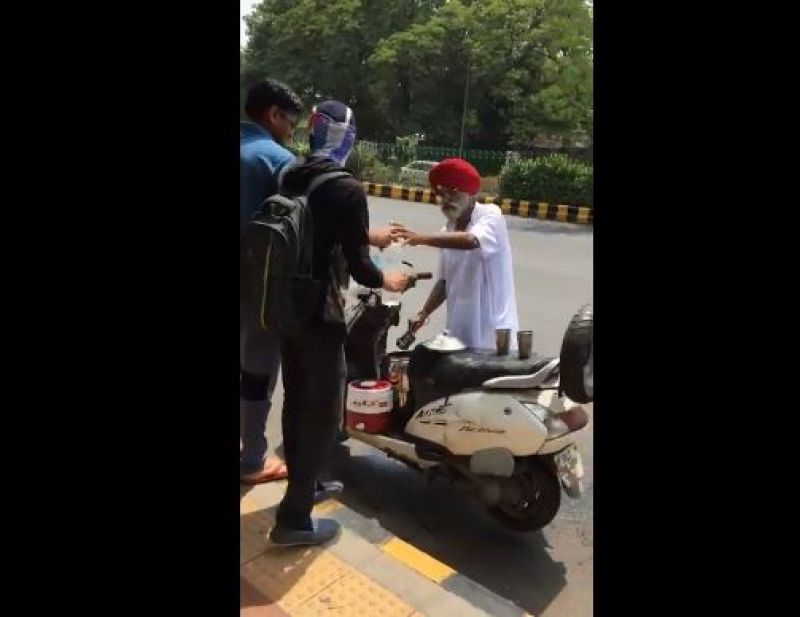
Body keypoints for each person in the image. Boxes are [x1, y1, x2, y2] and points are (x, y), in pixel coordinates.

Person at [269, 100, 409, 546]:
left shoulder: (291, 173)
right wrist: (390, 278)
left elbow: (315, 232)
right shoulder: (347, 187)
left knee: (296, 400)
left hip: (284, 306)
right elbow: (362, 267)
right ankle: (294, 520)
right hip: (320, 311)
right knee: (326, 410)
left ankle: (304, 485)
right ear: (347, 137)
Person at [239, 78, 303, 485]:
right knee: (258, 368)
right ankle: (253, 460)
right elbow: (298, 228)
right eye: (291, 123)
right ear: (274, 115)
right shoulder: (277, 160)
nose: (291, 132)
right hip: (256, 283)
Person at [399, 157, 519, 350]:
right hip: (458, 333)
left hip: (492, 335)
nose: (447, 200)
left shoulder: (490, 215)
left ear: (471, 193)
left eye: (453, 192)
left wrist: (421, 238)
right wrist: (423, 314)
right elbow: (445, 282)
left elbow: (471, 241)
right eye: (442, 194)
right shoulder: (447, 231)